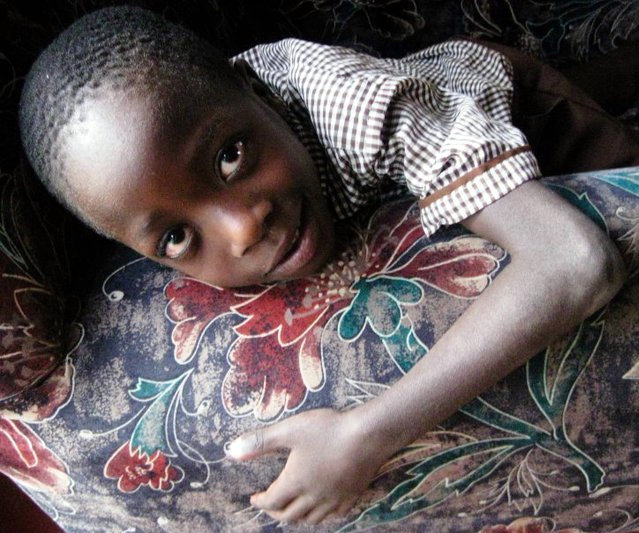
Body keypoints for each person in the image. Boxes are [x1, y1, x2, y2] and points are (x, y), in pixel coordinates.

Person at [18, 5, 635, 526]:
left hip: (505, 104)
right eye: (177, 237)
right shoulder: (198, 168)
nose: (242, 228)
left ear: (259, 92)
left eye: (231, 157)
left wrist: (365, 434)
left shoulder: (362, 107)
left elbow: (576, 261)